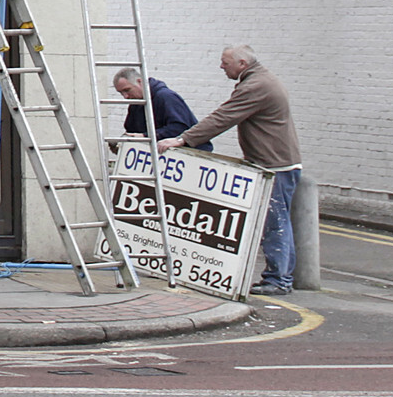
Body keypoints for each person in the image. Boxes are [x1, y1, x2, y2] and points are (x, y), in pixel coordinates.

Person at [161, 43, 303, 296]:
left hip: (275, 166)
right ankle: (280, 277)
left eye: (225, 62)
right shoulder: (260, 80)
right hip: (276, 162)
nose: (221, 66)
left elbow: (223, 117)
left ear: (242, 64)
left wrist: (183, 139)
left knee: (275, 223)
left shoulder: (256, 86)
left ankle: (279, 279)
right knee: (277, 222)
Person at [114, 68, 195, 141]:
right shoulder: (136, 103)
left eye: (127, 90)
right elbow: (131, 131)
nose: (125, 96)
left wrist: (145, 136)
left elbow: (180, 128)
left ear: (140, 82)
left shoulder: (166, 96)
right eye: (121, 93)